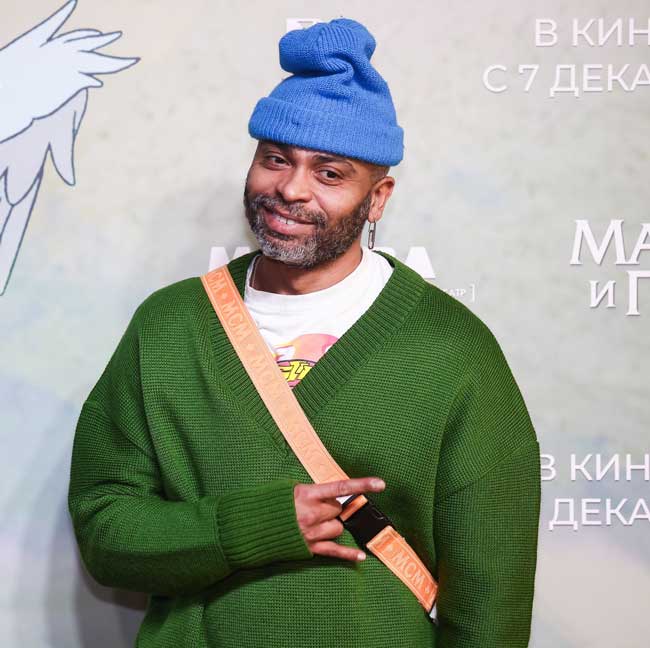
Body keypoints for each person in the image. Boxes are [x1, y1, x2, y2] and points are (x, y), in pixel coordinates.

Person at [68, 17, 541, 648]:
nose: (290, 189)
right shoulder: (170, 326)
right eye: (275, 159)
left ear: (378, 198)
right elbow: (106, 531)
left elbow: (491, 601)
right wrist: (247, 527)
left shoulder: (450, 349)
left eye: (330, 173)